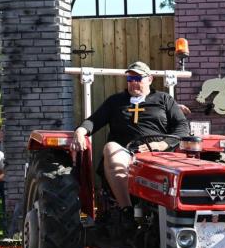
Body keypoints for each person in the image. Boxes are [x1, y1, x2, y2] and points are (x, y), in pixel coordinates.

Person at [71, 61, 189, 229]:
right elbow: (94, 121)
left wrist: (162, 144)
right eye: (130, 78)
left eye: (137, 78)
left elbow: (183, 127)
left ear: (149, 79)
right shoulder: (116, 101)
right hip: (126, 152)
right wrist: (81, 131)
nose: (133, 82)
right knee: (110, 148)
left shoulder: (164, 99)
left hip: (159, 155)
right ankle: (127, 212)